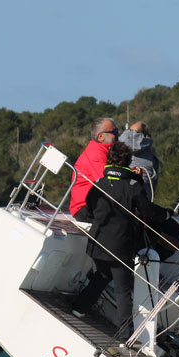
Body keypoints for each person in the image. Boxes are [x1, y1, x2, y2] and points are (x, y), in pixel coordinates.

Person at [73, 142, 172, 335]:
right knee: (122, 290)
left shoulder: (99, 184)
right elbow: (148, 211)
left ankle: (80, 307)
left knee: (102, 275)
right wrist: (167, 214)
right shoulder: (133, 186)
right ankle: (126, 334)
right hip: (120, 246)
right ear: (128, 161)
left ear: (109, 161)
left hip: (97, 242)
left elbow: (90, 207)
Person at [69, 118, 119, 220]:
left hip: (94, 203)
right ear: (101, 136)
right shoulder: (96, 153)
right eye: (114, 132)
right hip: (84, 208)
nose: (118, 134)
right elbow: (107, 182)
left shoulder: (104, 150)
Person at [118, 121, 160, 199]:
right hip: (144, 198)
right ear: (146, 135)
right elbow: (153, 181)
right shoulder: (150, 155)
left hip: (122, 198)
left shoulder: (116, 148)